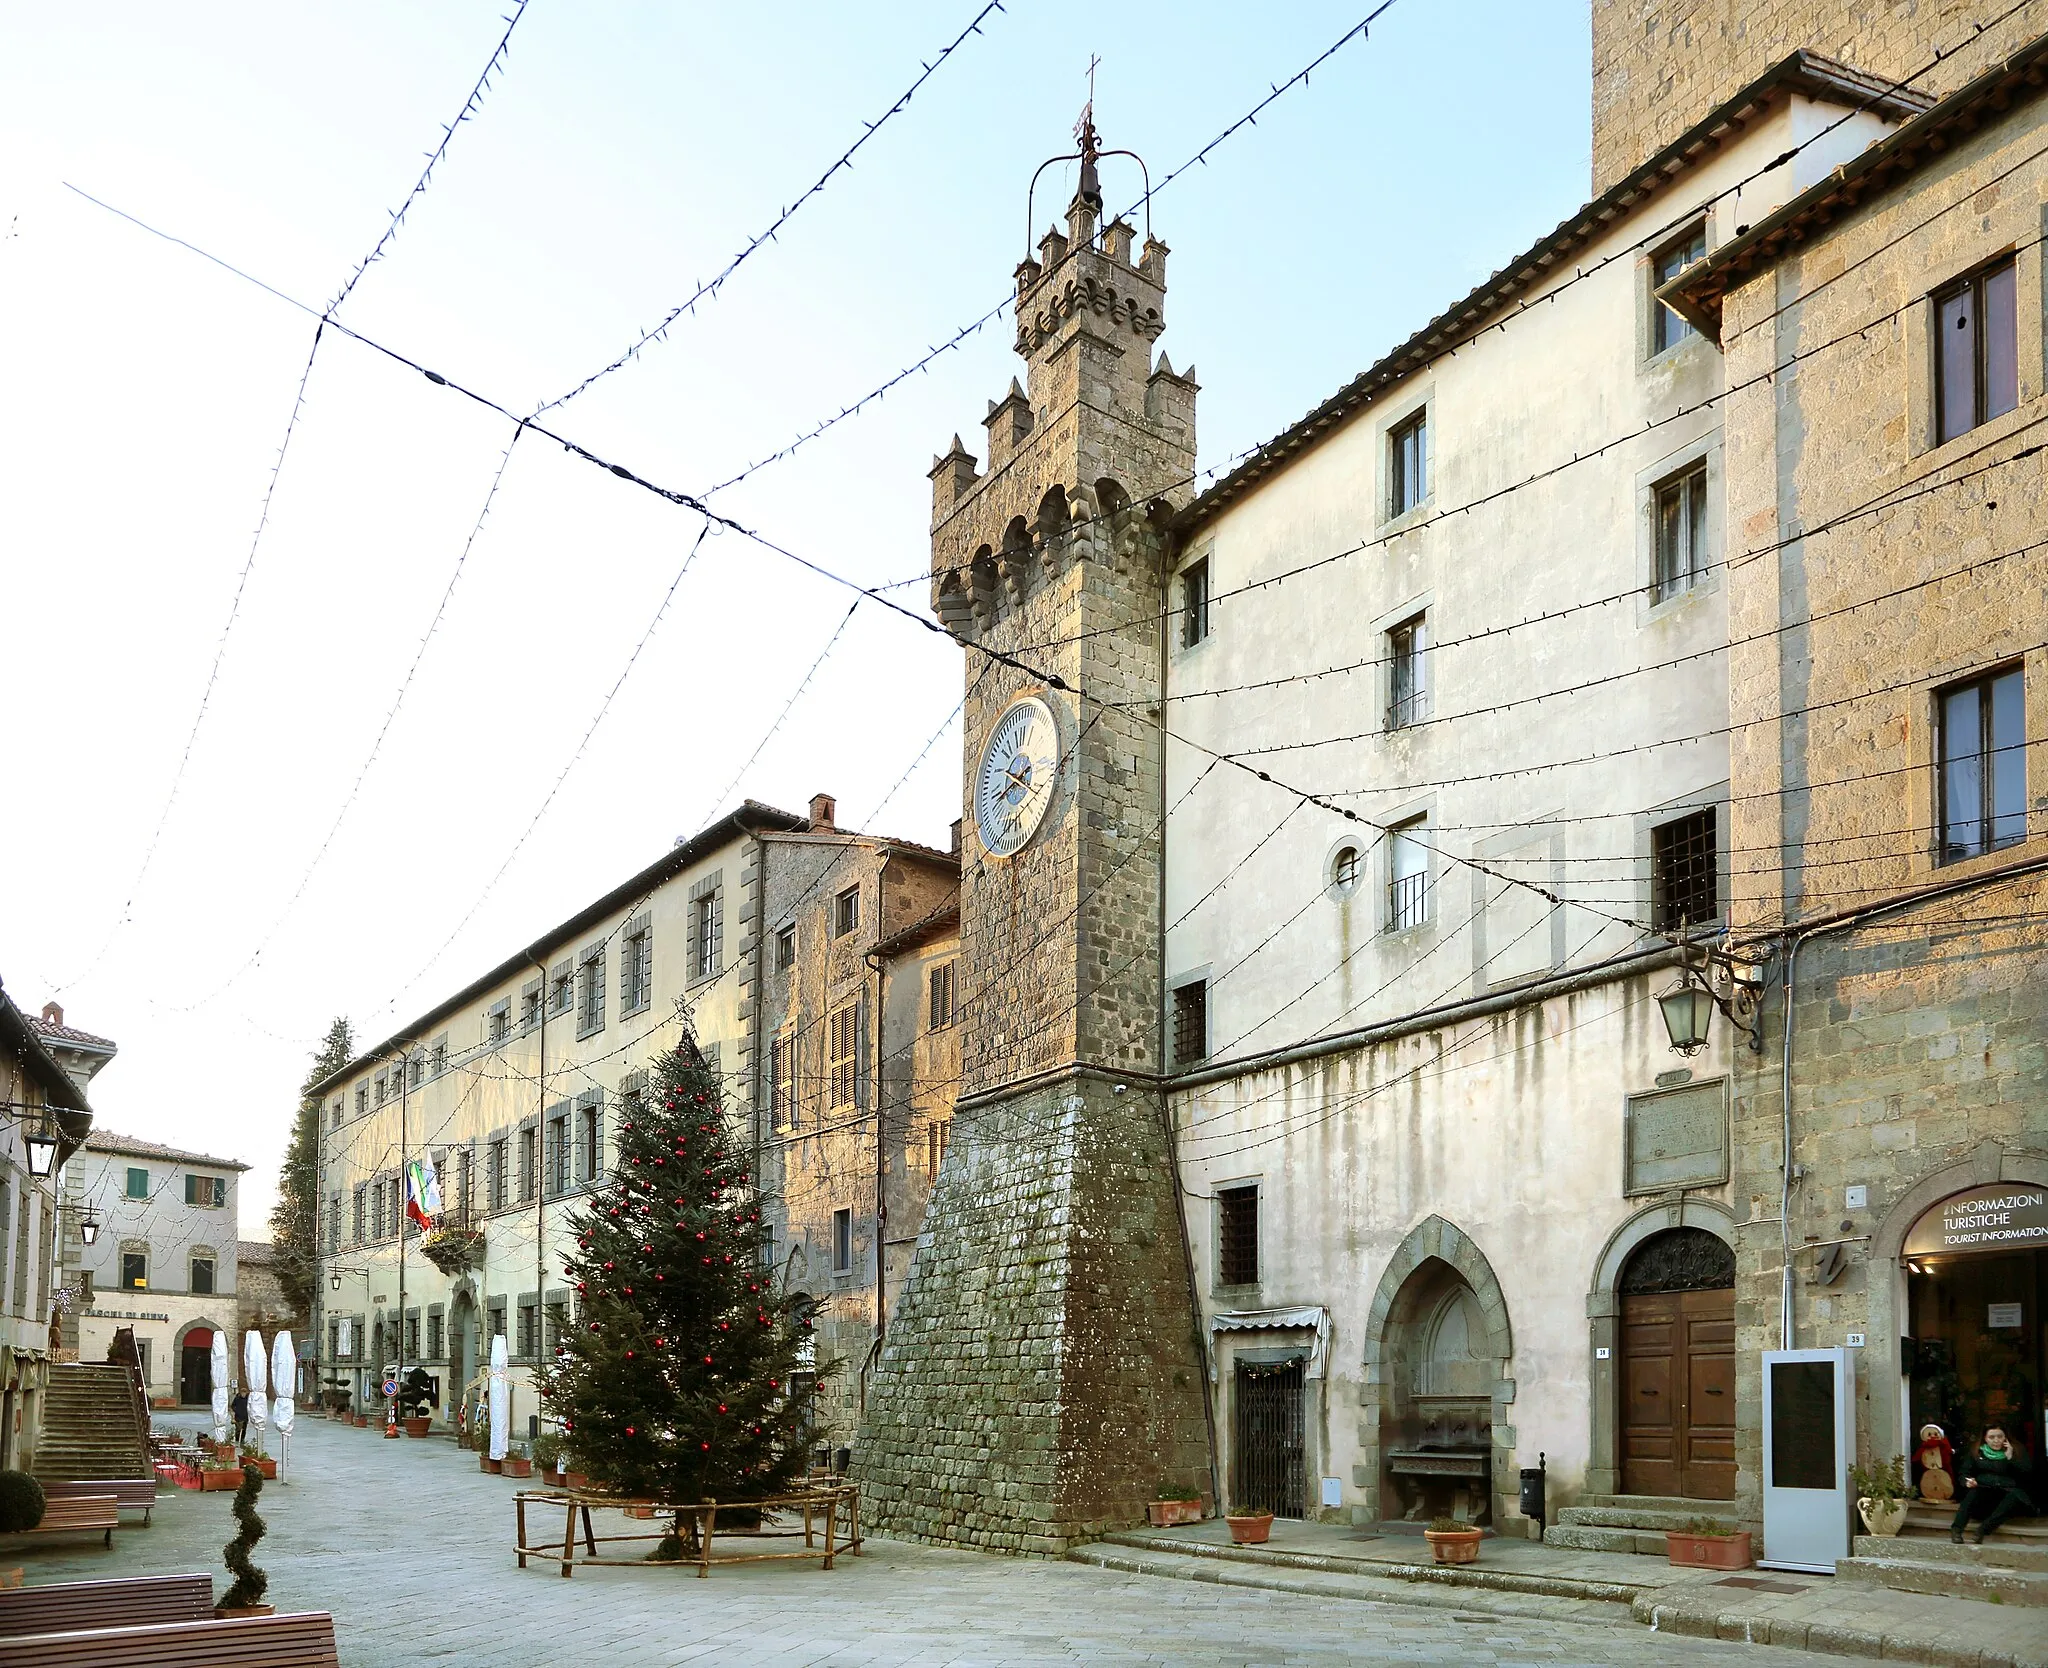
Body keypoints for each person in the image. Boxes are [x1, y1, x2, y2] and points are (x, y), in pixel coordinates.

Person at [1950, 1426, 2036, 1543]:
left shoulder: (2016, 1451)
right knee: (1973, 1493)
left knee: (2016, 1495)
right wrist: (1968, 1481)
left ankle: (1982, 1530)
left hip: (2007, 1496)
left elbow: (2026, 1475)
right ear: (1985, 1438)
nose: (1996, 1440)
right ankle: (1956, 1530)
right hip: (1985, 1495)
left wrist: (2010, 1457)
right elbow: (1964, 1473)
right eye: (1992, 1437)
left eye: (2000, 1436)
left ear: (2005, 1437)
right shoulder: (1976, 1452)